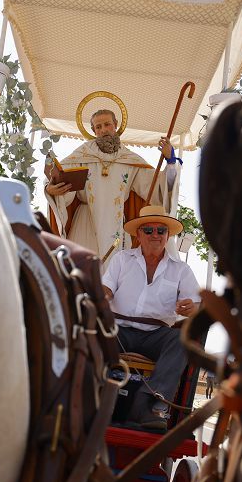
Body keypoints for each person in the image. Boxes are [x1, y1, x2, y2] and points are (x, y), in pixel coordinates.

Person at [101, 205, 200, 431]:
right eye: (149, 230)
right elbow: (105, 289)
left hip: (156, 335)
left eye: (161, 231)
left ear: (167, 236)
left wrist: (191, 308)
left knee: (181, 341)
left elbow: (195, 305)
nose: (155, 235)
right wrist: (101, 295)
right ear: (138, 235)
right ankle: (91, 394)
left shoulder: (181, 270)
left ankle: (151, 404)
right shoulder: (121, 260)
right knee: (94, 333)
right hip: (120, 330)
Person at [45, 108, 181, 261]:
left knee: (116, 273)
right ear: (93, 131)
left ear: (116, 125)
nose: (103, 130)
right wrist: (51, 189)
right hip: (86, 222)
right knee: (84, 273)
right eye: (98, 127)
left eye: (107, 124)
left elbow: (156, 189)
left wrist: (170, 161)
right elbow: (60, 180)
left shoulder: (129, 160)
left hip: (116, 226)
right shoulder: (81, 155)